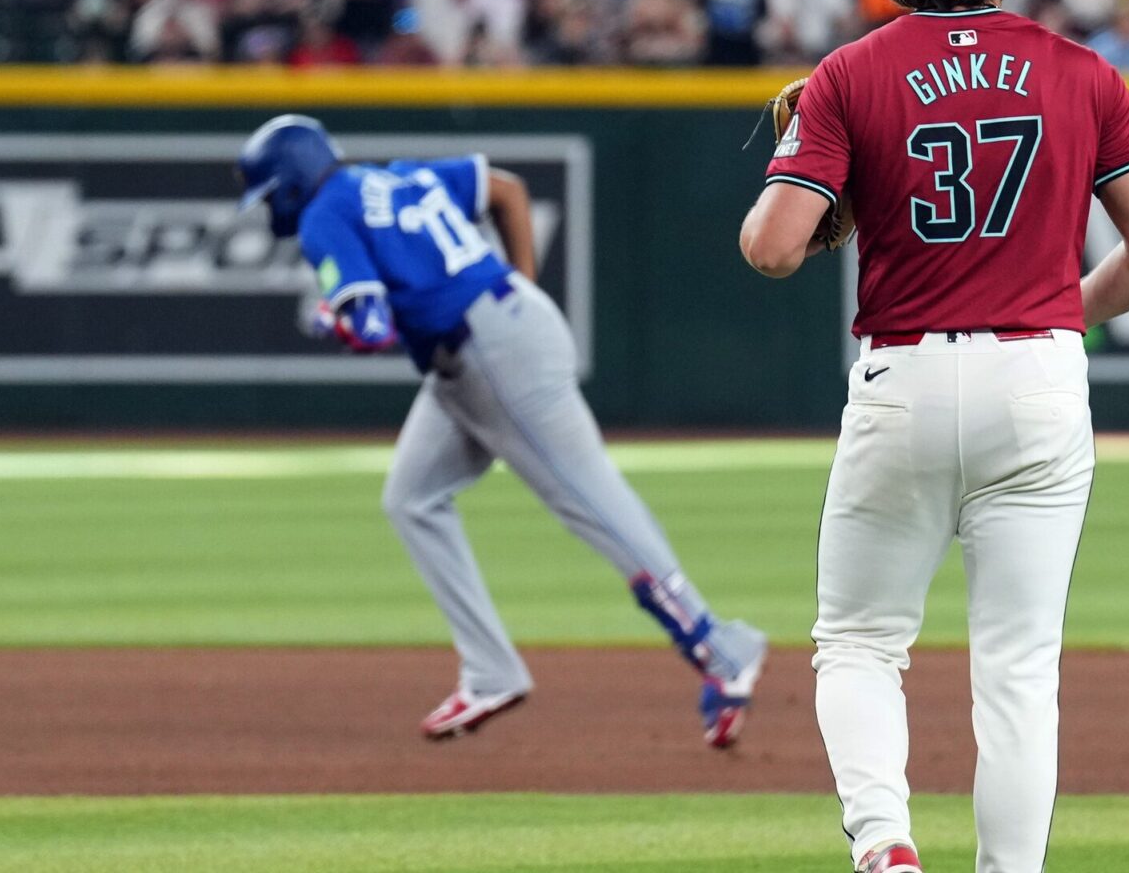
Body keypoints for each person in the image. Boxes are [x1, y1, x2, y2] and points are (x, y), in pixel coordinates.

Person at [737, 0, 1129, 873]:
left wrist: (799, 166)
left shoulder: (849, 76)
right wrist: (1058, 314)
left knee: (859, 642)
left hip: (901, 376)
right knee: (1019, 671)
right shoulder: (1082, 72)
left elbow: (771, 247)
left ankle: (885, 840)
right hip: (1035, 378)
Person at [236, 115, 767, 746]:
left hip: (489, 349)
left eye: (269, 193)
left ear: (290, 179)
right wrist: (519, 287)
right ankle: (491, 670)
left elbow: (371, 329)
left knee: (589, 500)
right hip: (487, 338)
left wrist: (335, 320)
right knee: (411, 497)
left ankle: (717, 644)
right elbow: (507, 191)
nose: (270, 207)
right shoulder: (399, 178)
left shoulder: (326, 213)